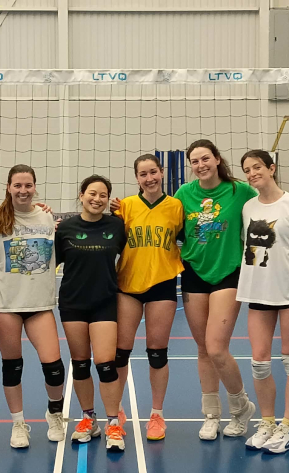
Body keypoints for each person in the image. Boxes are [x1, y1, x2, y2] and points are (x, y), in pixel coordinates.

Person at [173, 139, 289, 441]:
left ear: (217, 159)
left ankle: (239, 407)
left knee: (216, 347)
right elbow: (165, 219)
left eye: (205, 158)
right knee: (202, 349)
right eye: (195, 161)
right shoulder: (184, 194)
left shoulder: (240, 192)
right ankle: (211, 414)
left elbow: (271, 197)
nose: (201, 165)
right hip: (194, 272)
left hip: (228, 272)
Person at [236, 150, 289, 454]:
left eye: (257, 167)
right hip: (258, 293)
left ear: (271, 168)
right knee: (259, 362)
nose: (252, 173)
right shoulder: (248, 207)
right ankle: (267, 423)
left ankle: (288, 427)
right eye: (247, 170)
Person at [0, 164, 65, 449]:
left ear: (35, 187)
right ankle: (18, 423)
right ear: (8, 187)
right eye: (17, 185)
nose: (23, 190)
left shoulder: (46, 217)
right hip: (5, 305)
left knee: (54, 366)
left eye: (28, 185)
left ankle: (54, 413)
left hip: (39, 305)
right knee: (12, 367)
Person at [110, 154, 184, 441]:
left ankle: (156, 414)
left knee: (157, 353)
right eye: (143, 174)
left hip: (162, 284)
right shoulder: (126, 206)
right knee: (120, 352)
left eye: (153, 172)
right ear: (137, 178)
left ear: (161, 172)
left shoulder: (176, 206)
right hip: (128, 284)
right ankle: (115, 411)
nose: (149, 178)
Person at [55, 175, 127, 452]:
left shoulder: (117, 225)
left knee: (106, 365)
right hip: (72, 302)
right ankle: (88, 419)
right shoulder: (65, 228)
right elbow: (50, 261)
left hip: (104, 302)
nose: (97, 199)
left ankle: (113, 423)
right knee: (81, 364)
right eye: (92, 193)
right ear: (81, 195)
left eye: (103, 195)